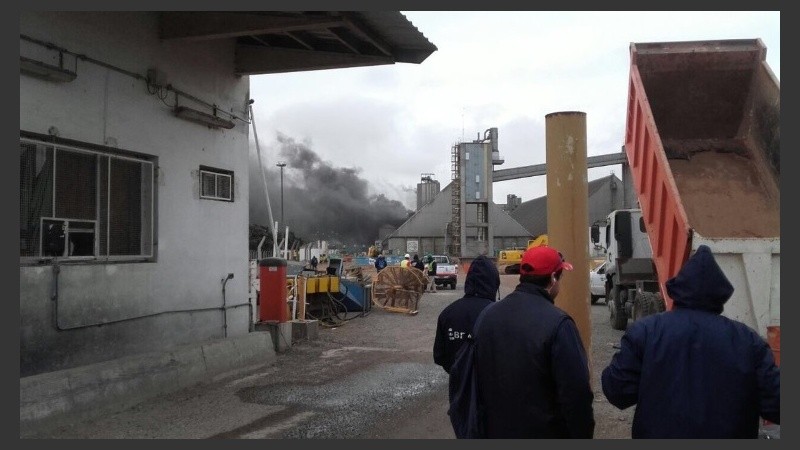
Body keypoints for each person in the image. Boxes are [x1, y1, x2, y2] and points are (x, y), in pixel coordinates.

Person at [601, 245, 780, 438]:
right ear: (720, 295)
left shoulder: (646, 332)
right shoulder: (748, 341)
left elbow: (616, 391)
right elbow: (776, 404)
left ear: (677, 290)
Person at [472, 245, 594, 438]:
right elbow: (576, 393)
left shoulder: (487, 316)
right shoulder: (559, 324)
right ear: (553, 279)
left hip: (494, 431)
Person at [433, 255, 499, 373]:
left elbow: (439, 356)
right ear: (494, 283)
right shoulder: (499, 315)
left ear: (468, 281)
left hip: (458, 387)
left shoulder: (448, 313)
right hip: (490, 386)